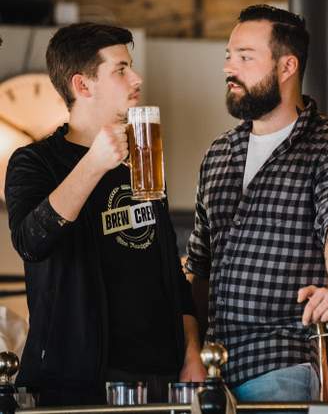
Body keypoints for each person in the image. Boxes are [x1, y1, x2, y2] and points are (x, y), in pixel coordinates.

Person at [4, 23, 206, 406]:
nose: (137, 78)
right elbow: (31, 240)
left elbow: (170, 274)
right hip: (77, 382)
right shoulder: (35, 161)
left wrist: (191, 352)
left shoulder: (143, 160)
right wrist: (94, 163)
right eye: (121, 69)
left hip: (161, 379)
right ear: (83, 85)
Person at [186, 4, 328, 402]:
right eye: (229, 56)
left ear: (287, 67)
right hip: (212, 372)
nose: (230, 68)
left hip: (280, 363)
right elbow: (199, 264)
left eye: (246, 57)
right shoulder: (218, 154)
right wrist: (189, 352)